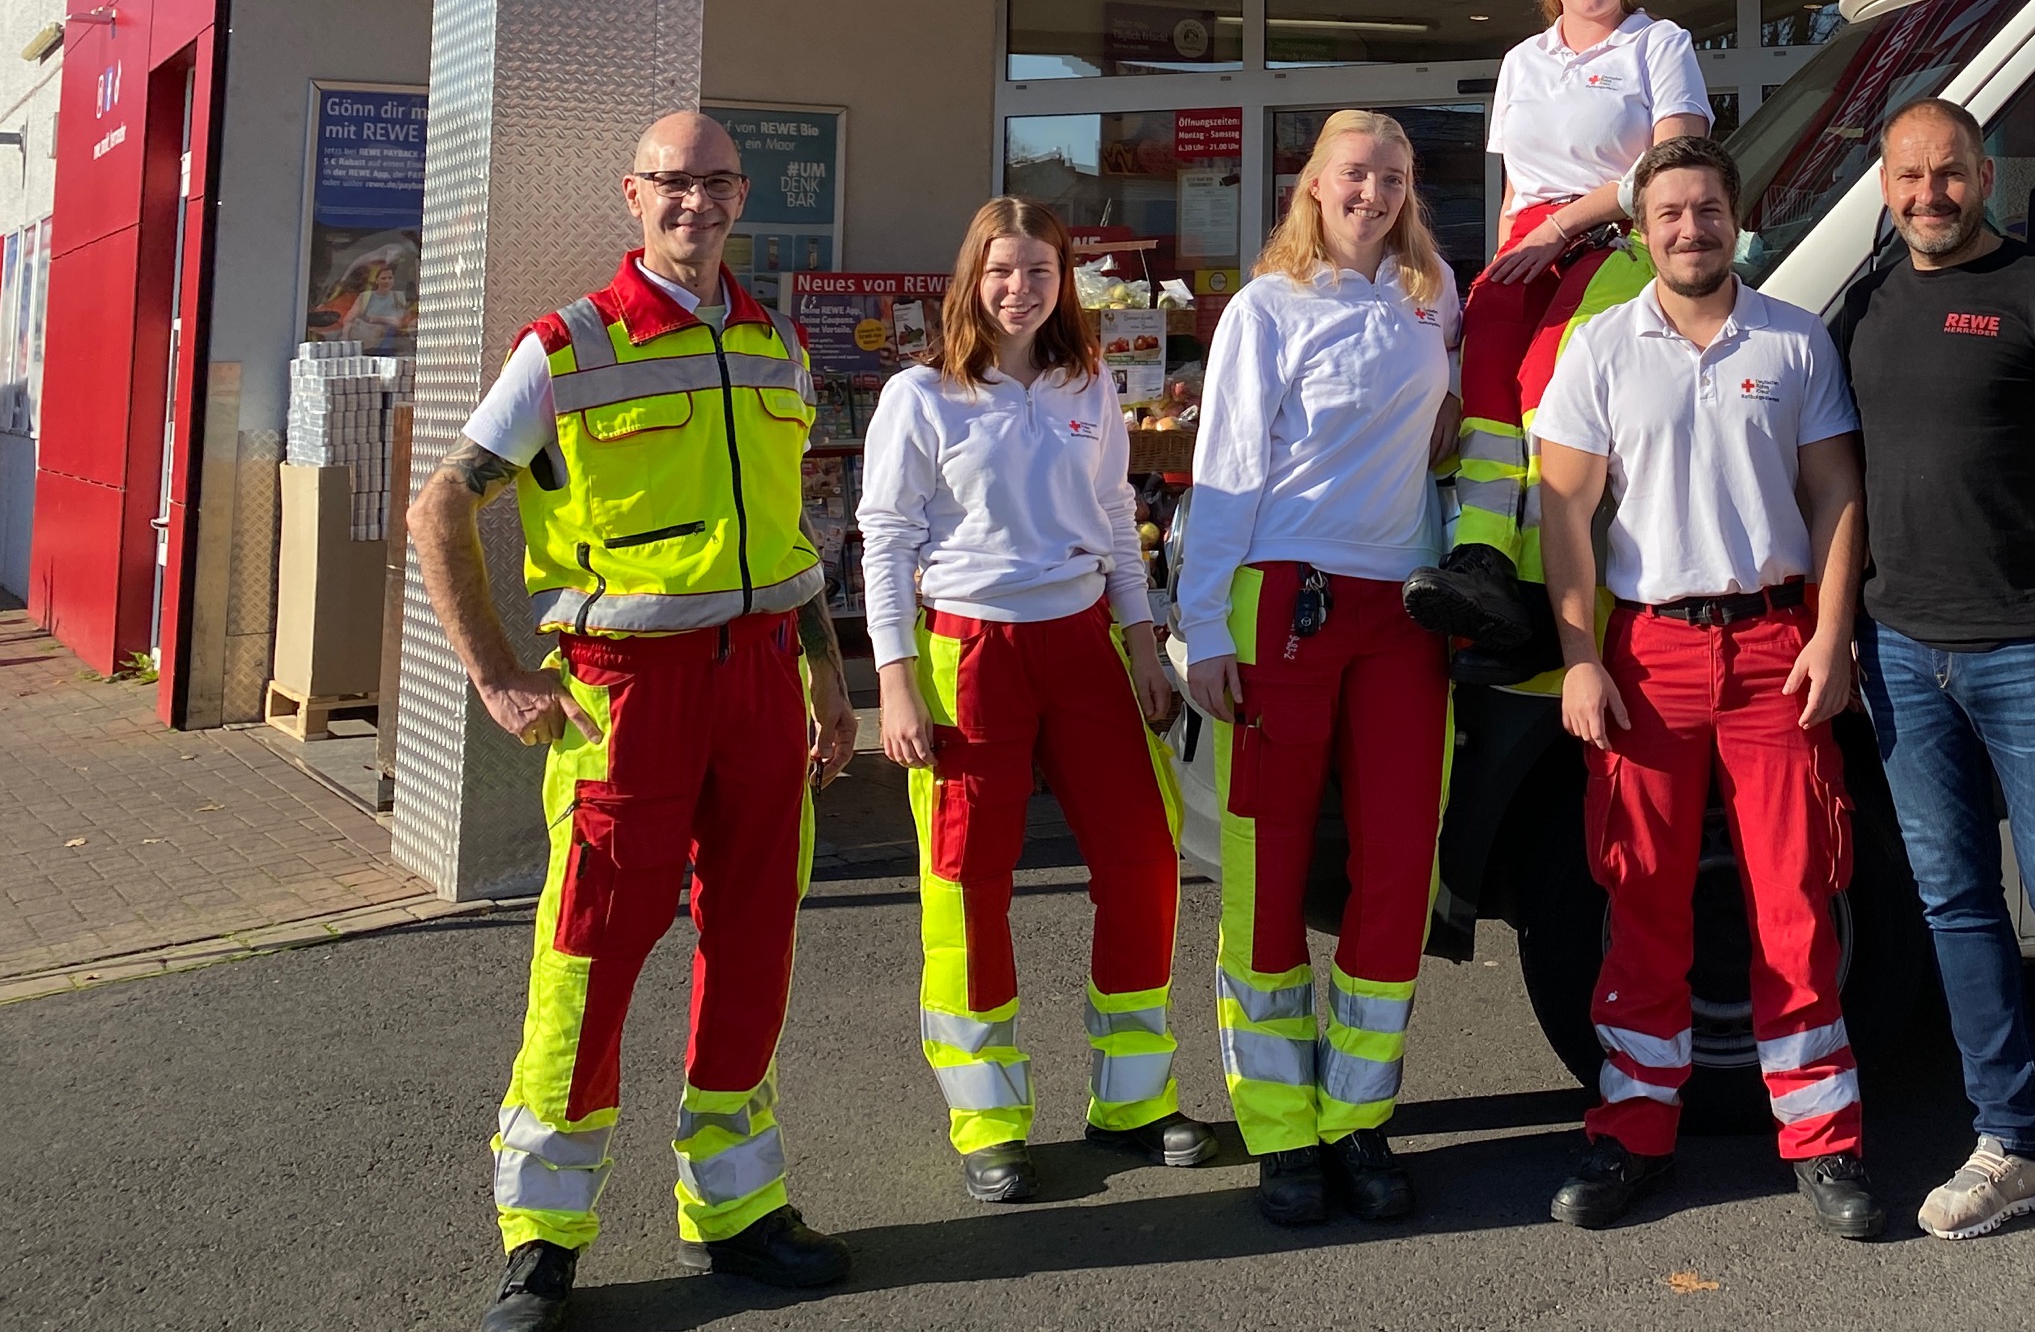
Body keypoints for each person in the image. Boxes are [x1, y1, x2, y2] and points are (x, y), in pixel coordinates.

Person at [402, 112, 860, 1332]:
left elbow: (790, 536)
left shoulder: (775, 347)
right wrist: (497, 674)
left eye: (716, 184)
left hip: (761, 679)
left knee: (755, 942)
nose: (695, 204)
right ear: (634, 195)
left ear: (740, 197)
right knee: (590, 954)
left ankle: (738, 1210)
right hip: (627, 693)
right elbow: (442, 504)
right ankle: (542, 1243)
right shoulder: (566, 350)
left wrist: (826, 674)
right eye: (673, 183)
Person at [1530, 135, 1882, 1240]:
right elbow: (1565, 516)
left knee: (1795, 902)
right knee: (1641, 901)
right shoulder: (1598, 350)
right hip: (1650, 656)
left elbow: (1834, 495)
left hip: (1777, 648)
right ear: (1641, 230)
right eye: (1671, 213)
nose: (1692, 228)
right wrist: (1580, 655)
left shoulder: (1794, 338)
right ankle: (1631, 1132)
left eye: (1709, 209)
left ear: (1738, 218)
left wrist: (1832, 634)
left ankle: (1824, 1143)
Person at [860, 197, 1210, 1207]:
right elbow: (883, 539)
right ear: (972, 277)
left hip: (1084, 639)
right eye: (1002, 271)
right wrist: (892, 678)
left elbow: (1112, 515)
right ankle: (988, 1120)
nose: (1020, 290)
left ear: (1066, 284)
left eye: (1041, 273)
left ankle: (1133, 1101)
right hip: (969, 652)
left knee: (1143, 858)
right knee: (969, 884)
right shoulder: (920, 395)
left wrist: (1146, 646)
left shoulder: (1085, 381)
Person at [1831, 98, 2035, 1239]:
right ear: (1884, 184)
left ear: (1986, 173)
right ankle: (2007, 1139)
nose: (1927, 195)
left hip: (2032, 650)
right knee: (1955, 905)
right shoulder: (1860, 306)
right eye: (1907, 176)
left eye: (1947, 173)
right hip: (1903, 654)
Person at [1177, 111, 1460, 1228]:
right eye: (1356, 173)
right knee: (1266, 866)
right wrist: (1203, 629)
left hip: (1404, 610)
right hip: (1281, 601)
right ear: (1314, 185)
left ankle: (1358, 1117)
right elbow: (1226, 470)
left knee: (1398, 863)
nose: (1375, 191)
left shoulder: (1434, 299)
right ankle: (1282, 1132)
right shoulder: (1265, 309)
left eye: (1393, 175)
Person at [1407, 0, 1707, 679]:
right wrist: (1507, 271)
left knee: (1551, 384)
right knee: (1487, 380)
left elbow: (1671, 168)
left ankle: (1542, 596)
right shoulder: (1522, 62)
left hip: (1616, 239)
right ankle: (1483, 560)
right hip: (1528, 242)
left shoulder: (1658, 45)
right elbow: (1513, 189)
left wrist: (1559, 228)